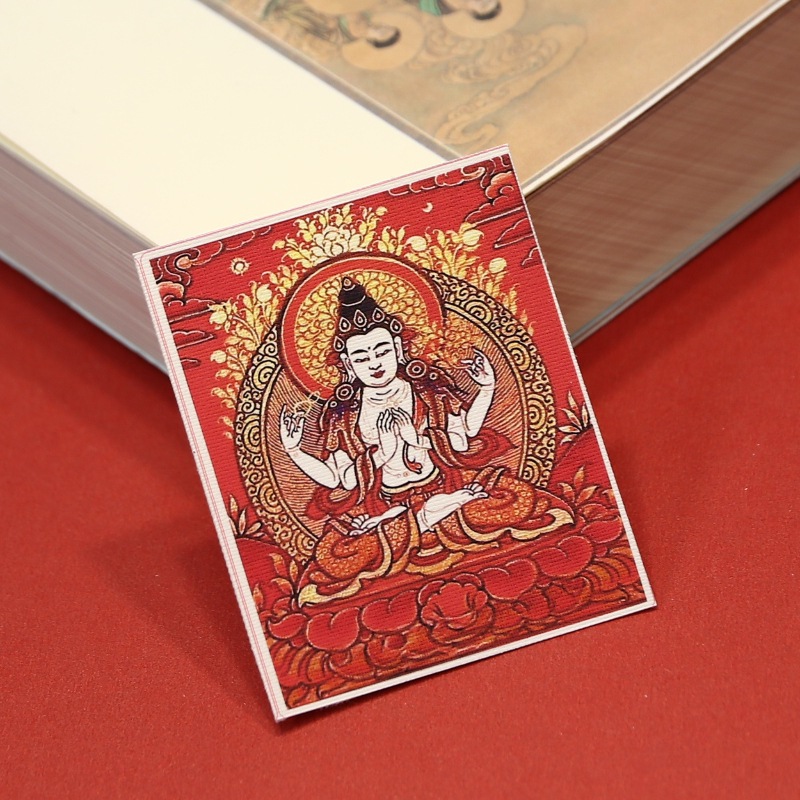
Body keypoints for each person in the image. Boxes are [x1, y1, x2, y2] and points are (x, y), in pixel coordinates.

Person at [280, 277, 571, 603]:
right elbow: (341, 480)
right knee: (339, 554)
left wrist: (483, 391)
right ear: (347, 363)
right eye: (361, 358)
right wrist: (297, 451)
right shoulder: (344, 417)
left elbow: (461, 440)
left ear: (398, 348)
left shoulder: (427, 392)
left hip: (441, 485)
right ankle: (423, 517)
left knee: (510, 500)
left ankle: (423, 517)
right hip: (387, 503)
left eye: (382, 351)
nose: (374, 364)